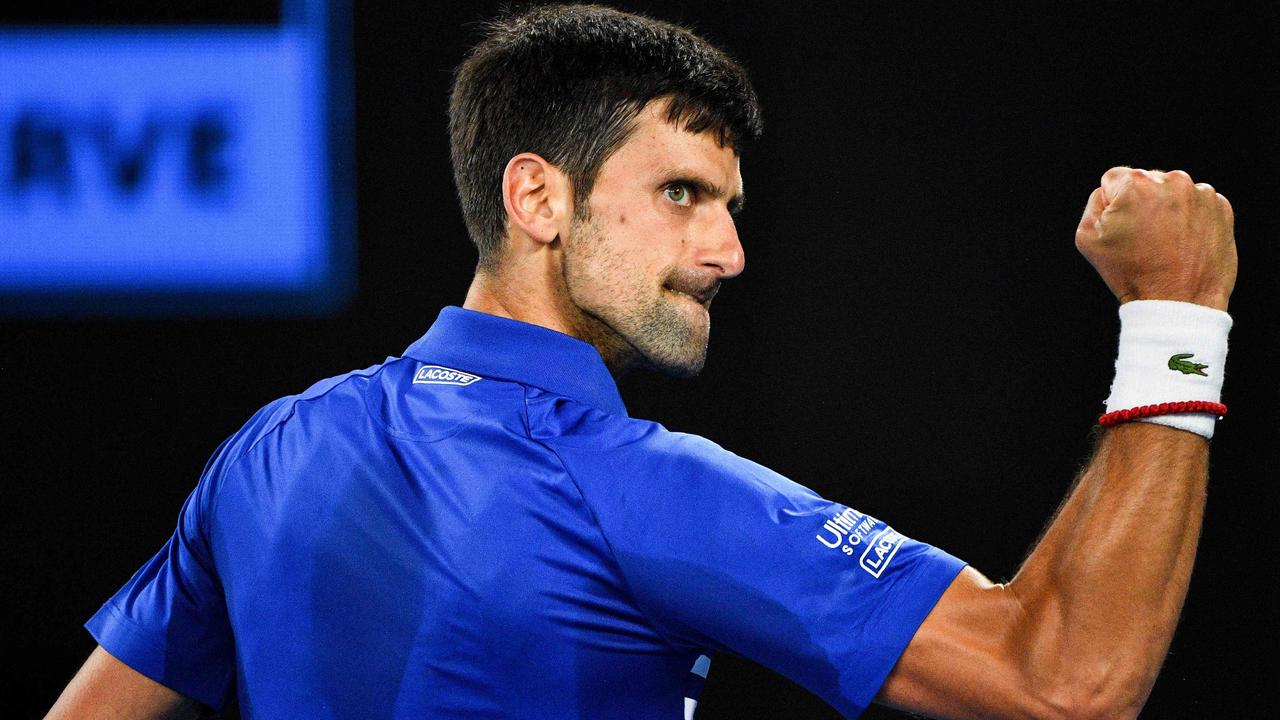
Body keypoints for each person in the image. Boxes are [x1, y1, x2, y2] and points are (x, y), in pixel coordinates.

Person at [47, 5, 1237, 719]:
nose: (724, 249)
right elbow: (1063, 683)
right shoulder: (624, 485)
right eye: (679, 194)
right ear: (538, 197)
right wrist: (1174, 315)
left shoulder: (268, 449)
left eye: (728, 204)